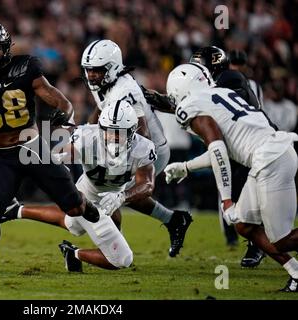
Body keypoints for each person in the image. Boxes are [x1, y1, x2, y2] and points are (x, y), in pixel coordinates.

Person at [0, 21, 100, 278]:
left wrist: (64, 112)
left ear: (6, 47)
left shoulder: (25, 67)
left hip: (32, 147)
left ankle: (83, 201)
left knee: (74, 209)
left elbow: (56, 96)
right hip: (1, 154)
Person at [164, 63, 298, 292]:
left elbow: (217, 149)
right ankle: (296, 273)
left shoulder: (190, 104)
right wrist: (186, 167)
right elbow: (224, 148)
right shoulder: (221, 92)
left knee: (282, 239)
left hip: (269, 159)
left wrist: (226, 199)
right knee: (244, 225)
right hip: (270, 155)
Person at [2, 101, 160, 271]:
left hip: (112, 198)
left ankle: (17, 210)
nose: (113, 137)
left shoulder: (143, 147)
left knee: (73, 225)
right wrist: (56, 158)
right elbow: (66, 152)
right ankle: (76, 253)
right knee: (123, 259)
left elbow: (147, 185)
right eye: (109, 131)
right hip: (87, 194)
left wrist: (122, 196)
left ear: (132, 131)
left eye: (119, 133)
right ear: (101, 129)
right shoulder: (87, 137)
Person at [80, 39, 192, 257]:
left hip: (149, 149)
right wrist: (89, 128)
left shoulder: (124, 90)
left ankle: (112, 252)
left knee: (108, 193)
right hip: (127, 143)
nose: (91, 75)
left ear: (111, 68)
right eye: (89, 70)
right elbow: (101, 106)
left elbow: (142, 134)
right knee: (116, 193)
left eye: (96, 70)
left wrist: (122, 161)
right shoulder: (106, 82)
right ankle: (174, 220)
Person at [189, 46, 266, 267]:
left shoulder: (231, 79)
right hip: (239, 147)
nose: (197, 72)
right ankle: (255, 243)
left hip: (251, 146)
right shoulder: (222, 81)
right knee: (236, 197)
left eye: (200, 67)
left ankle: (257, 245)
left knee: (244, 200)